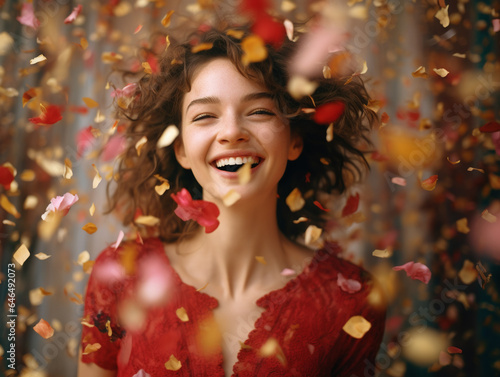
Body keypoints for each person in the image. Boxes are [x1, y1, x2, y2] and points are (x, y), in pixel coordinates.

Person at [78, 21, 386, 377]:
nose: (231, 132)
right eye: (205, 116)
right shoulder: (119, 276)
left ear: (294, 141)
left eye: (259, 111)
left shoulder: (352, 300)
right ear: (179, 150)